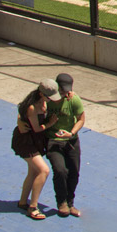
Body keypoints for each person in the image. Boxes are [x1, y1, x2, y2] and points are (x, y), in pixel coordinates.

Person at [11, 79, 62, 220]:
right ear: (41, 94)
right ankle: (33, 207)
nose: (51, 100)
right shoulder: (32, 107)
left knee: (33, 171)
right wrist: (51, 123)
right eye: (48, 97)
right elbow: (37, 128)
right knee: (44, 170)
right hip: (26, 142)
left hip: (35, 141)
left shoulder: (42, 101)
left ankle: (23, 202)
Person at [45, 73, 86, 218]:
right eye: (62, 90)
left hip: (71, 140)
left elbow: (81, 119)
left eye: (67, 90)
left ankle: (70, 202)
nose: (64, 94)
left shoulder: (73, 99)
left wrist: (72, 132)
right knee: (61, 170)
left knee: (74, 171)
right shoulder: (47, 99)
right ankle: (61, 202)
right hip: (53, 140)